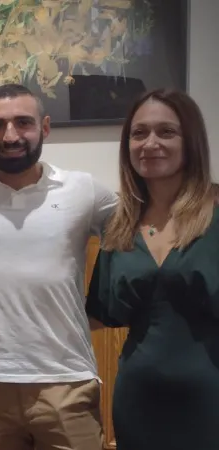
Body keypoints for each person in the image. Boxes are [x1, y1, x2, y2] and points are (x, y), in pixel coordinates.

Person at [0, 83, 117, 450]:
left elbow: (140, 228)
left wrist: (103, 306)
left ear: (45, 127)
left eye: (23, 122)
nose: (10, 136)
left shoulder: (84, 190)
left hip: (65, 380)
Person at [86, 89, 219, 449]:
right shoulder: (120, 224)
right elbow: (99, 314)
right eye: (139, 133)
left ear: (191, 141)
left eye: (166, 132)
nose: (150, 143)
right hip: (138, 398)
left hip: (210, 399)